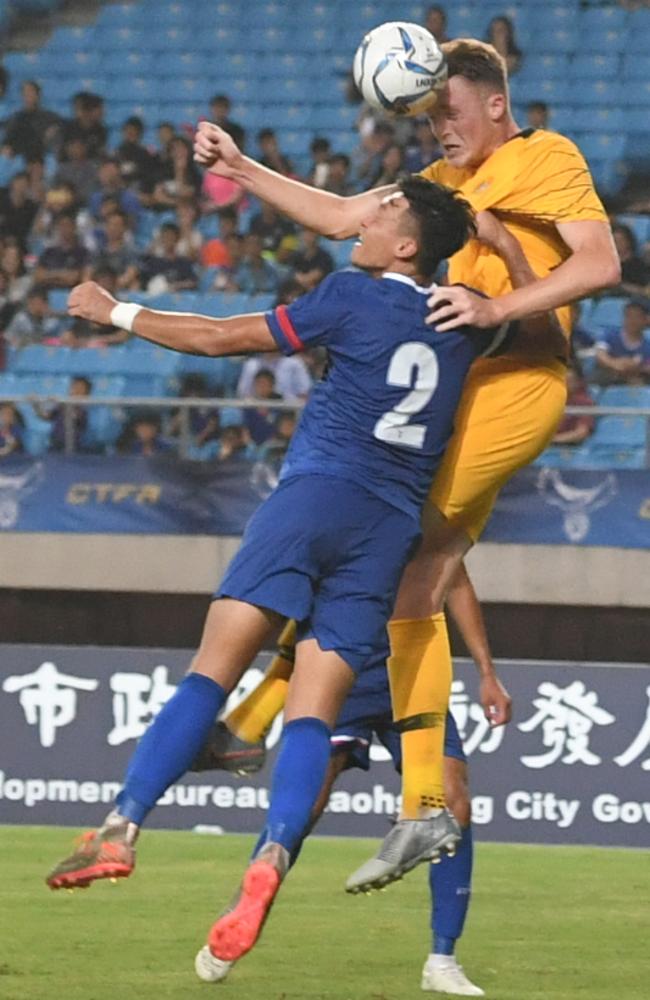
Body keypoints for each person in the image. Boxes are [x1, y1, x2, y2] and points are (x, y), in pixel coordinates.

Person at [192, 36, 620, 891]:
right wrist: (242, 170)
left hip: (521, 378)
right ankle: (342, 764)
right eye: (426, 117)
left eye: (449, 113)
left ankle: (385, 783)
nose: (438, 130)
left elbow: (603, 263)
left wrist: (497, 300)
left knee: (398, 557)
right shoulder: (445, 188)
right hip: (462, 389)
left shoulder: (546, 155)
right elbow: (348, 213)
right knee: (397, 569)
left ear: (496, 103)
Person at [45, 181, 500, 971]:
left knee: (211, 674)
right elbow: (533, 320)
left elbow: (223, 338)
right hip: (387, 531)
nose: (363, 221)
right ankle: (272, 859)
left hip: (316, 496)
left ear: (405, 247)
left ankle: (119, 828)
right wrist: (500, 264)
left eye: (381, 215)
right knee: (310, 719)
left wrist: (115, 311)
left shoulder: (350, 295)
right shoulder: (464, 324)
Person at [193, 568, 511, 995]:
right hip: (345, 669)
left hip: (413, 673)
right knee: (303, 807)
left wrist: (487, 673)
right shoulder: (348, 511)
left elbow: (455, 582)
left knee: (454, 805)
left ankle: (442, 960)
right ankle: (233, 929)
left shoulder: (430, 518)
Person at [594, 299, 650, 385]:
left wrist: (635, 368)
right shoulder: (610, 335)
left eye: (637, 316)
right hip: (607, 379)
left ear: (646, 320)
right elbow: (600, 354)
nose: (632, 320)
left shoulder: (647, 346)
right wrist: (614, 364)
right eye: (629, 315)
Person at [551, 364, 595, 445]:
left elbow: (581, 432)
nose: (565, 384)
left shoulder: (584, 403)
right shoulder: (549, 400)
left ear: (577, 382)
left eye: (569, 381)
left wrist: (555, 440)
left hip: (572, 447)